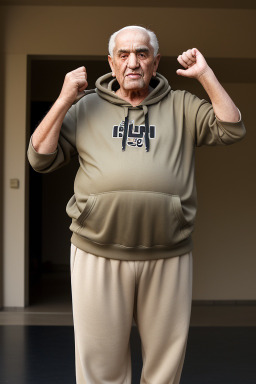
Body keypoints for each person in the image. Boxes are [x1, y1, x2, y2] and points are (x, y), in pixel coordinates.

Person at [27, 25, 246, 384]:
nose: (133, 62)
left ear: (156, 62)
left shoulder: (181, 105)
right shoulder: (84, 108)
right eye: (124, 55)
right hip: (96, 251)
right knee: (100, 367)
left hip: (168, 254)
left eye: (142, 54)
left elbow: (231, 128)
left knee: (164, 368)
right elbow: (39, 157)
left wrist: (204, 75)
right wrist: (65, 99)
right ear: (111, 63)